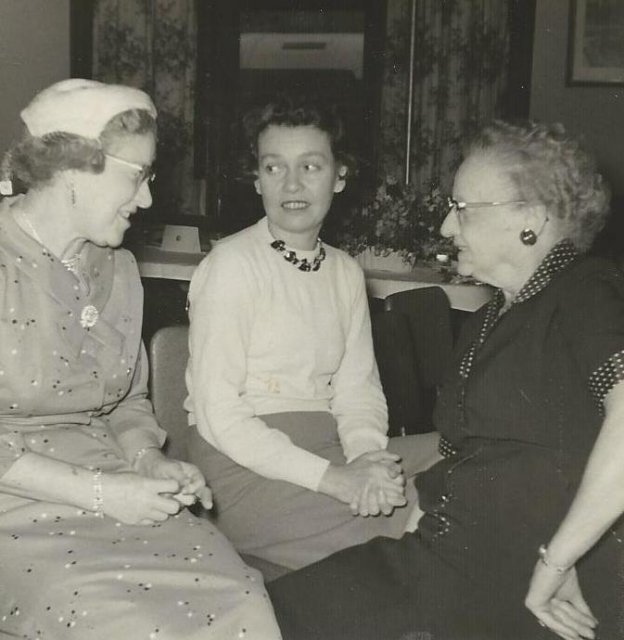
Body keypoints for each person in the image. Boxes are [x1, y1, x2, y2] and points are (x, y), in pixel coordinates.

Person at [266, 120, 624, 640]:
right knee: (266, 609)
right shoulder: (489, 316)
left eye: (462, 209)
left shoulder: (585, 292)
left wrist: (556, 564)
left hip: (530, 581)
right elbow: (460, 459)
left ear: (531, 217)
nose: (445, 228)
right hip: (444, 558)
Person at [0, 79, 280, 640]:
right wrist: (105, 493)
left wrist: (149, 459)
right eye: (138, 175)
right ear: (74, 166)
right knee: (121, 620)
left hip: (114, 481)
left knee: (242, 598)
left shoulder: (119, 269)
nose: (148, 199)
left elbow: (127, 400)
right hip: (15, 500)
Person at [185, 94, 440, 572]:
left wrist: (370, 463)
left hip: (332, 451)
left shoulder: (344, 272)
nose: (292, 184)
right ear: (256, 177)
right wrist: (338, 481)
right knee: (445, 517)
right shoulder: (231, 265)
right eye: (274, 167)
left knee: (466, 457)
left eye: (311, 166)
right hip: (244, 468)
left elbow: (357, 389)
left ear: (340, 175)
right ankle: (399, 584)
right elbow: (219, 415)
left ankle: (397, 578)